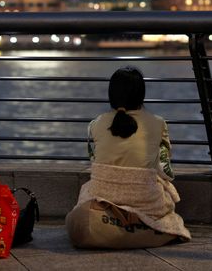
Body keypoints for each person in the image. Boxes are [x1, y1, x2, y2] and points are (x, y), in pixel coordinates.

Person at [65, 66, 191, 249]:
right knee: (165, 194)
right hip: (146, 202)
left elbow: (95, 161)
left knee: (86, 191)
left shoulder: (96, 124)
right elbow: (165, 170)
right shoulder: (157, 123)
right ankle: (148, 228)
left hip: (103, 197)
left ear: (111, 94)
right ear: (141, 95)